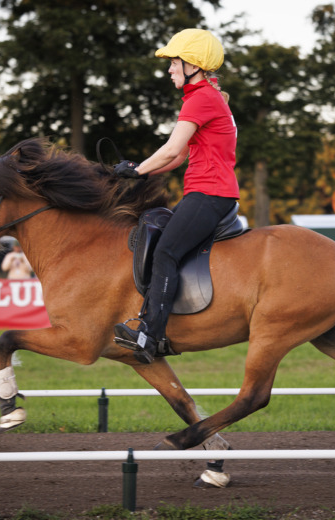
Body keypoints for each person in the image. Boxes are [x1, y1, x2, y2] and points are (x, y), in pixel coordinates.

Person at [112, 28, 240, 364]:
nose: (170, 69)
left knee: (166, 252)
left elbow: (170, 151)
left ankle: (149, 336)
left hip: (209, 193)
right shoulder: (203, 97)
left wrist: (137, 171)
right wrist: (134, 171)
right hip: (208, 192)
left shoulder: (201, 99)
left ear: (193, 65)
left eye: (174, 62)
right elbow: (179, 156)